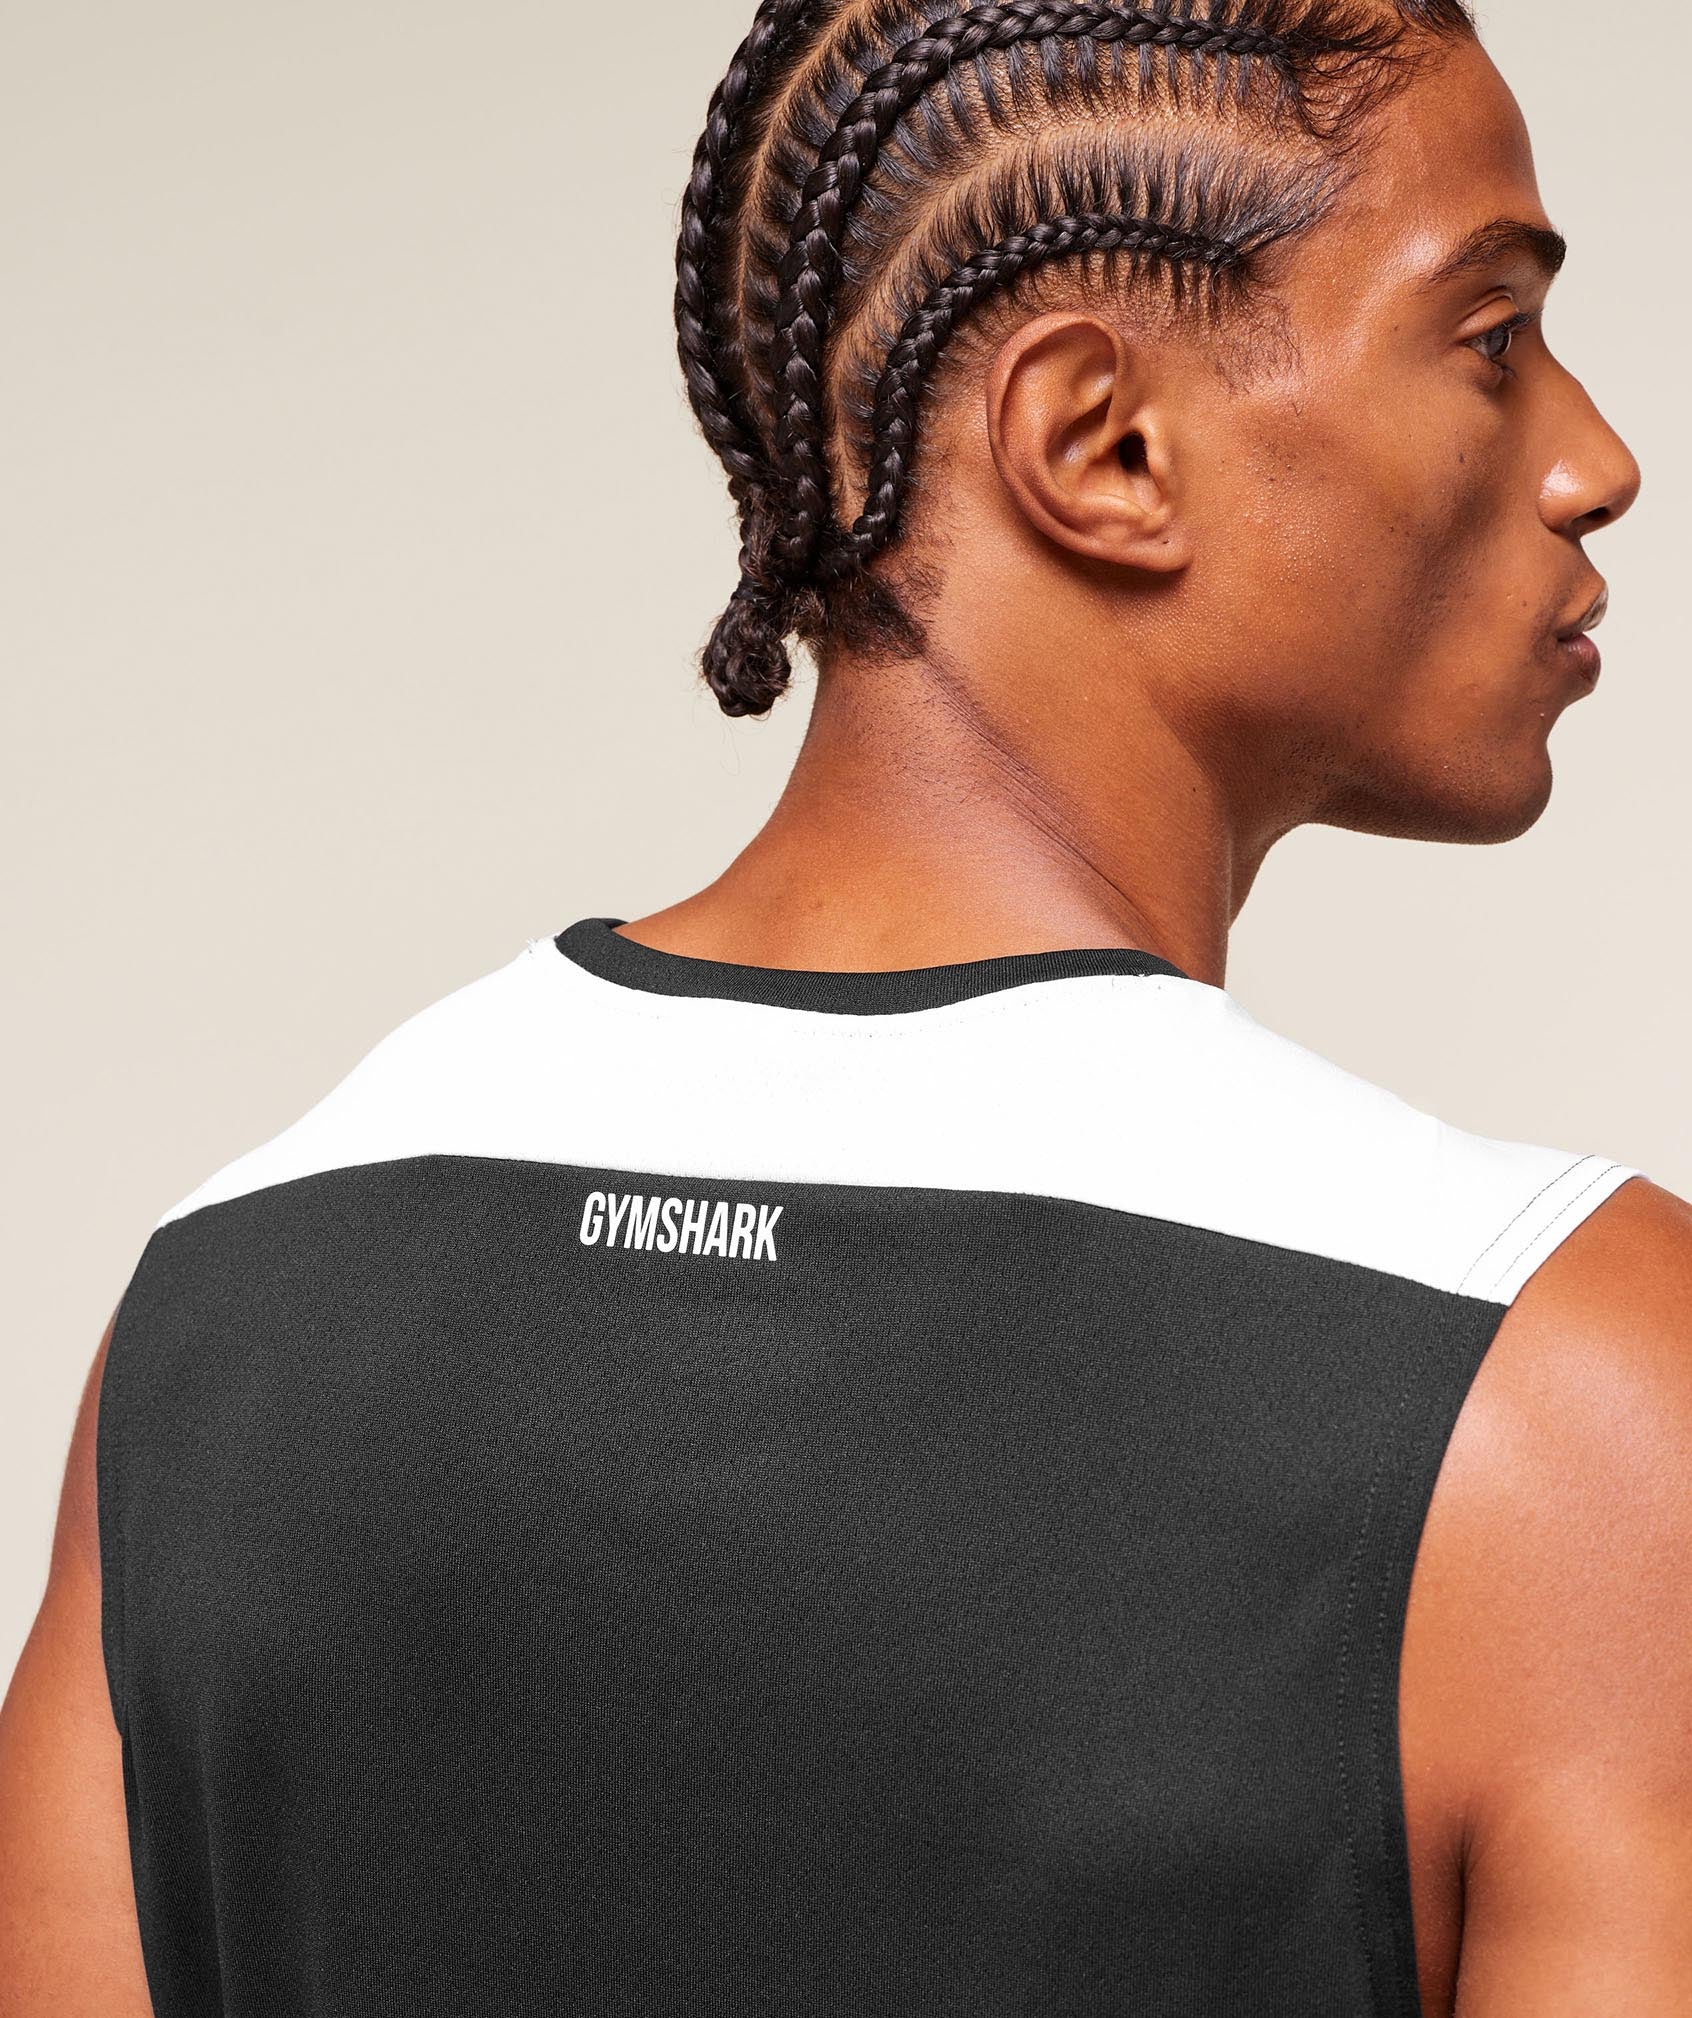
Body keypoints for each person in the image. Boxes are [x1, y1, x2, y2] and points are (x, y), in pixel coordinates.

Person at [2, 1, 1686, 2012]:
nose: (1596, 460)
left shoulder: (213, 1324)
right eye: (1492, 337)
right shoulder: (1571, 1403)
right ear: (1102, 444)